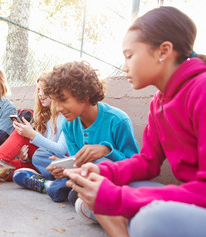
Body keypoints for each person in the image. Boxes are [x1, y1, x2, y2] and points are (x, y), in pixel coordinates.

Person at [64, 6, 206, 237]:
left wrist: (119, 200)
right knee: (89, 196)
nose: (124, 66)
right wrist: (102, 170)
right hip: (194, 199)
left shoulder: (203, 89)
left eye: (129, 55)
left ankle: (126, 230)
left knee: (149, 222)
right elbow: (148, 163)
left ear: (163, 51)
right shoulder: (158, 103)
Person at [39, 60, 139, 204]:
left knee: (98, 163)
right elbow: (78, 162)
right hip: (87, 177)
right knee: (45, 162)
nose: (59, 108)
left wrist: (106, 150)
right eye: (55, 101)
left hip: (116, 178)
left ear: (84, 95)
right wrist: (67, 168)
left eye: (63, 100)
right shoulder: (68, 125)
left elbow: (135, 166)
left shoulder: (118, 120)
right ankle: (58, 186)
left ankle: (62, 188)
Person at [0, 75, 68, 185]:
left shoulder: (66, 117)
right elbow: (41, 151)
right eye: (39, 90)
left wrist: (32, 135)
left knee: (22, 135)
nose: (40, 94)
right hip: (41, 162)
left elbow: (61, 150)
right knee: (3, 170)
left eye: (45, 90)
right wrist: (25, 157)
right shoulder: (46, 117)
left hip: (59, 162)